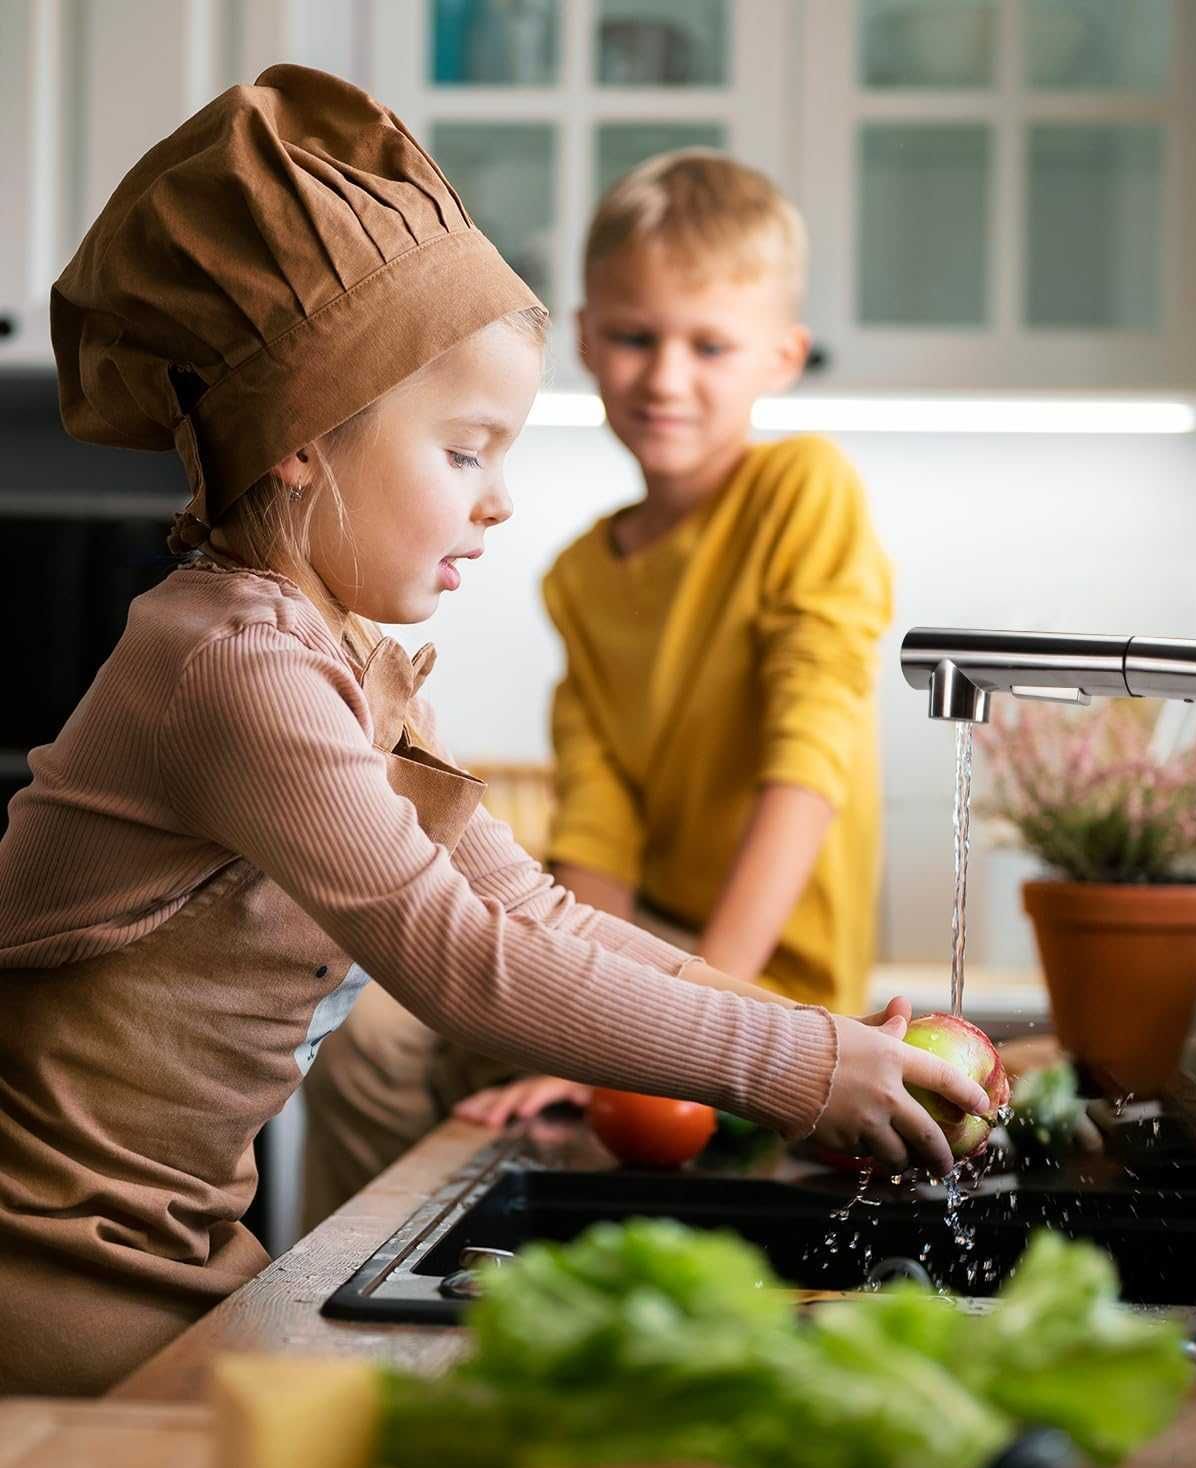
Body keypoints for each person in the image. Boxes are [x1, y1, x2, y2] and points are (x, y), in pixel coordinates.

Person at [0, 67, 988, 1398]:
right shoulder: (235, 667)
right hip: (44, 1263)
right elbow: (462, 965)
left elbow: (545, 919)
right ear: (299, 442)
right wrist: (805, 1066)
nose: (499, 503)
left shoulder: (327, 658)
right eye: (465, 452)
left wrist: (812, 1035)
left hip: (156, 1249)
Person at [300, 149, 894, 1204]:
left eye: (710, 344)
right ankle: (347, 1299)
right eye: (634, 337)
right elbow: (599, 831)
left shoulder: (805, 492)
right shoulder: (582, 574)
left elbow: (809, 768)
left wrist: (702, 1033)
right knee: (368, 1034)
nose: (666, 377)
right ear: (582, 339)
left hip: (772, 991)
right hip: (633, 963)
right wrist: (591, 1023)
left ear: (784, 355)